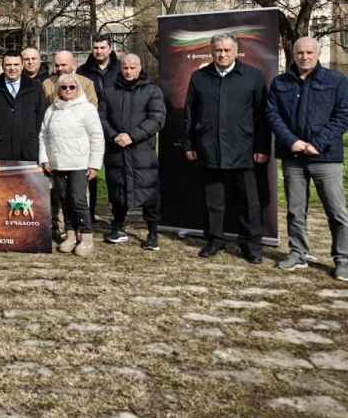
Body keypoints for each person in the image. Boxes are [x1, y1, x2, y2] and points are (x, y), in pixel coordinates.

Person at [182, 32, 270, 264]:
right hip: (209, 148)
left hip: (244, 149)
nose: (222, 54)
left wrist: (262, 147)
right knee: (213, 200)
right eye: (218, 50)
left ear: (236, 51)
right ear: (211, 52)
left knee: (248, 201)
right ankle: (214, 240)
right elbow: (190, 115)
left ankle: (250, 245)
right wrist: (189, 143)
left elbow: (262, 117)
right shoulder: (199, 77)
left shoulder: (252, 76)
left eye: (227, 50)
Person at [265, 36, 348, 280]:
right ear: (294, 55)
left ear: (318, 54)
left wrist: (317, 144)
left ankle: (343, 259)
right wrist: (292, 141)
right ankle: (298, 253)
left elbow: (343, 115)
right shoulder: (280, 82)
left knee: (337, 211)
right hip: (292, 156)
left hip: (326, 157)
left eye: (310, 52)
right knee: (295, 209)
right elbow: (272, 114)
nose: (305, 56)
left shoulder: (336, 81)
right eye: (300, 52)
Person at [98, 54, 166, 250]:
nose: (128, 71)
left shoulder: (153, 91)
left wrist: (132, 136)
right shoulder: (109, 92)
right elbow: (101, 117)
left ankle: (152, 233)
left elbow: (156, 120)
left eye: (132, 68)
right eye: (125, 68)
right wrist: (114, 136)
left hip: (141, 151)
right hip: (116, 150)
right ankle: (118, 228)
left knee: (149, 193)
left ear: (139, 68)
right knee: (118, 189)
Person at [39, 74, 105, 257]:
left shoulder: (87, 109)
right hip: (58, 163)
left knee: (78, 199)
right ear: (58, 90)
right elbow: (43, 135)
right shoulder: (52, 109)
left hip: (79, 163)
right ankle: (70, 235)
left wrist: (94, 164)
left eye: (71, 87)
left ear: (78, 88)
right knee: (64, 200)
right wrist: (44, 158)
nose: (67, 90)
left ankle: (86, 236)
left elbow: (97, 138)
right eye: (63, 87)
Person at [0, 52, 45, 162]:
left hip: (28, 148)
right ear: (2, 66)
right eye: (8, 65)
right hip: (0, 148)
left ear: (22, 65)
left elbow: (40, 118)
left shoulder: (35, 87)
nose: (12, 68)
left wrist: (41, 147)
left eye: (16, 64)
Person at [77, 34, 121, 100]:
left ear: (110, 49)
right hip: (92, 109)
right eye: (95, 48)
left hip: (116, 109)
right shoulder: (82, 71)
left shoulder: (121, 67)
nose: (99, 51)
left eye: (102, 48)